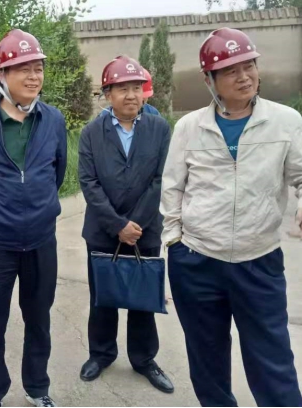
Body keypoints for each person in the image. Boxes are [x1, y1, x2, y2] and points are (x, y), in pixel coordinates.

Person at [161, 27, 302, 407]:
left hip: (259, 261)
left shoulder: (286, 121)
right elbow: (172, 188)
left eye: (249, 65)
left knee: (272, 361)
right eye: (230, 70)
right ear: (209, 80)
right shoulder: (190, 127)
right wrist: (174, 242)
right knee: (207, 359)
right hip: (197, 261)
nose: (244, 76)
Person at [0, 29, 67, 407]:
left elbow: (57, 173)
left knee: (39, 320)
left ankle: (37, 389)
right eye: (23, 69)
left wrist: (36, 207)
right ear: (2, 75)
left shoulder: (53, 121)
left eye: (38, 69)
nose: (34, 77)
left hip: (40, 240)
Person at [78, 55, 174, 394]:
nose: (131, 95)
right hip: (103, 230)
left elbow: (162, 179)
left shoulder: (159, 129)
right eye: (123, 89)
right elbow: (89, 182)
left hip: (145, 231)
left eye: (136, 88)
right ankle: (101, 354)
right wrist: (118, 224)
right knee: (102, 297)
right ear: (108, 94)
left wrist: (135, 223)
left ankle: (144, 358)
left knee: (142, 299)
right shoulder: (91, 133)